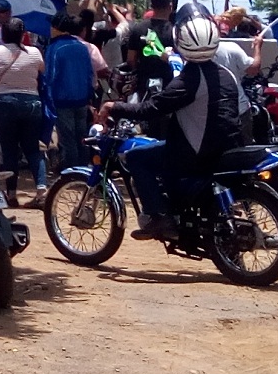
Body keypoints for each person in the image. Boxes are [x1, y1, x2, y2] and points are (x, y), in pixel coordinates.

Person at [97, 15, 242, 241]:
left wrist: (113, 106)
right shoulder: (226, 74)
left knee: (137, 158)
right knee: (164, 151)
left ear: (181, 42)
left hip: (196, 151)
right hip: (228, 147)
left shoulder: (189, 79)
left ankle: (159, 217)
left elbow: (152, 108)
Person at [0, 17, 46, 206]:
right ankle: (42, 191)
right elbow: (41, 71)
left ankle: (11, 194)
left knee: (9, 150)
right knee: (33, 150)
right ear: (23, 34)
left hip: (4, 103)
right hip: (31, 103)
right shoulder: (35, 53)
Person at [44, 13, 100, 171]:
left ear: (57, 29)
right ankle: (84, 170)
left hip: (62, 102)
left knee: (68, 140)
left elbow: (50, 77)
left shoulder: (54, 48)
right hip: (82, 100)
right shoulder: (82, 47)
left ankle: (72, 172)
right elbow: (90, 74)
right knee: (82, 138)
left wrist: (47, 99)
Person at [120, 0, 178, 91]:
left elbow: (131, 59)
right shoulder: (176, 31)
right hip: (169, 85)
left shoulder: (138, 28)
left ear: (152, 6)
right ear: (170, 6)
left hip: (144, 84)